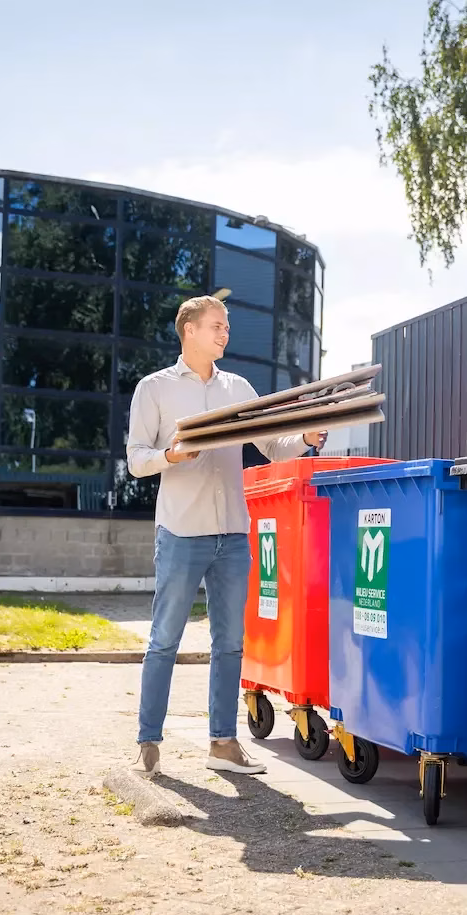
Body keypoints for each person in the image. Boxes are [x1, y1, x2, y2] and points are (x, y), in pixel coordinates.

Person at [126, 294, 326, 775]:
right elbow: (135, 460)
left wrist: (307, 437)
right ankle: (148, 744)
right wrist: (169, 457)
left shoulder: (239, 388)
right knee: (164, 642)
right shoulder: (153, 389)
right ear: (189, 330)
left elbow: (273, 447)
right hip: (180, 531)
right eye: (216, 325)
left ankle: (223, 743)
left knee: (231, 643)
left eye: (226, 326)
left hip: (234, 533)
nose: (224, 333)